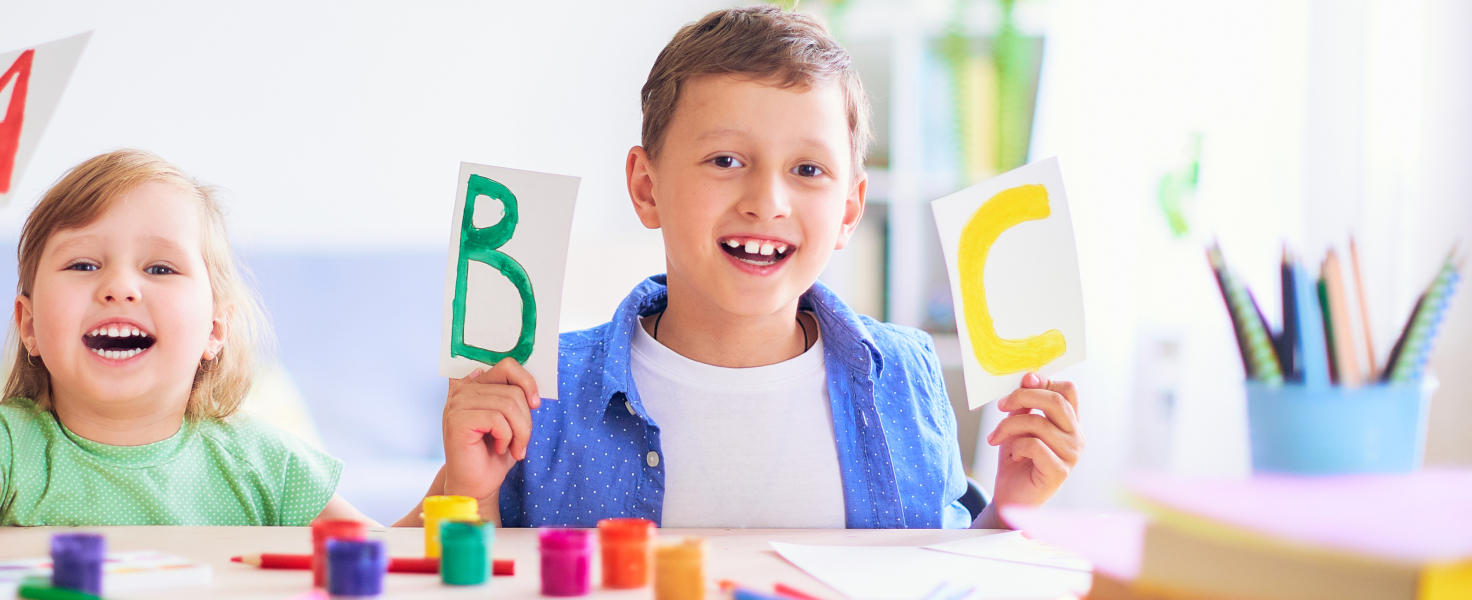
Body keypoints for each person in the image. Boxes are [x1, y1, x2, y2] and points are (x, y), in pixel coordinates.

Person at [398, 6, 1083, 529]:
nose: (768, 202)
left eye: (808, 170)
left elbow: (949, 578)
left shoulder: (906, 375)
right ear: (646, 188)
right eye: (726, 160)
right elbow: (431, 574)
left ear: (849, 210)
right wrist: (466, 491)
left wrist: (1012, 512)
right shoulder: (542, 397)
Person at [0, 149, 372, 551]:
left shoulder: (265, 462)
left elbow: (385, 560)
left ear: (214, 329)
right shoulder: (3, 445)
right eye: (82, 264)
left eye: (161, 269)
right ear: (29, 325)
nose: (119, 287)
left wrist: (451, 476)